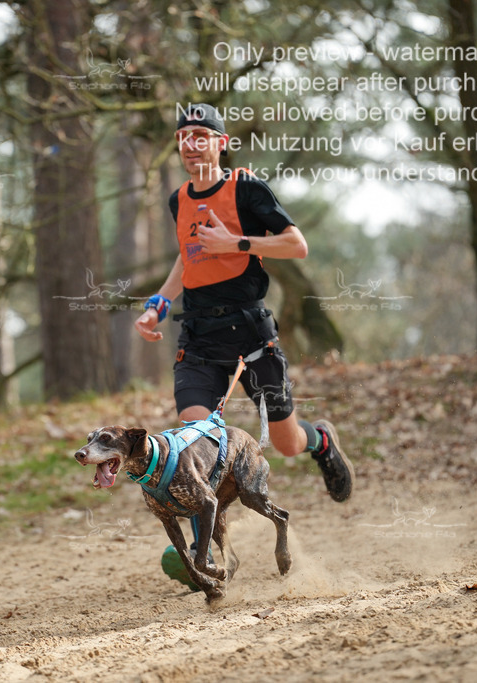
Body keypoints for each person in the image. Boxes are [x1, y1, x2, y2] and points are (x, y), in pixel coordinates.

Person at [134, 104, 354, 586]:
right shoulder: (178, 200)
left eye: (201, 135)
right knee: (196, 439)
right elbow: (187, 256)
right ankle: (213, 557)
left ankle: (321, 440)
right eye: (184, 136)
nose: (191, 144)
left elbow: (296, 244)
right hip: (198, 337)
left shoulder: (247, 189)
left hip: (251, 333)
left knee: (286, 443)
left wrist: (237, 244)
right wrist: (158, 304)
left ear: (221, 142)